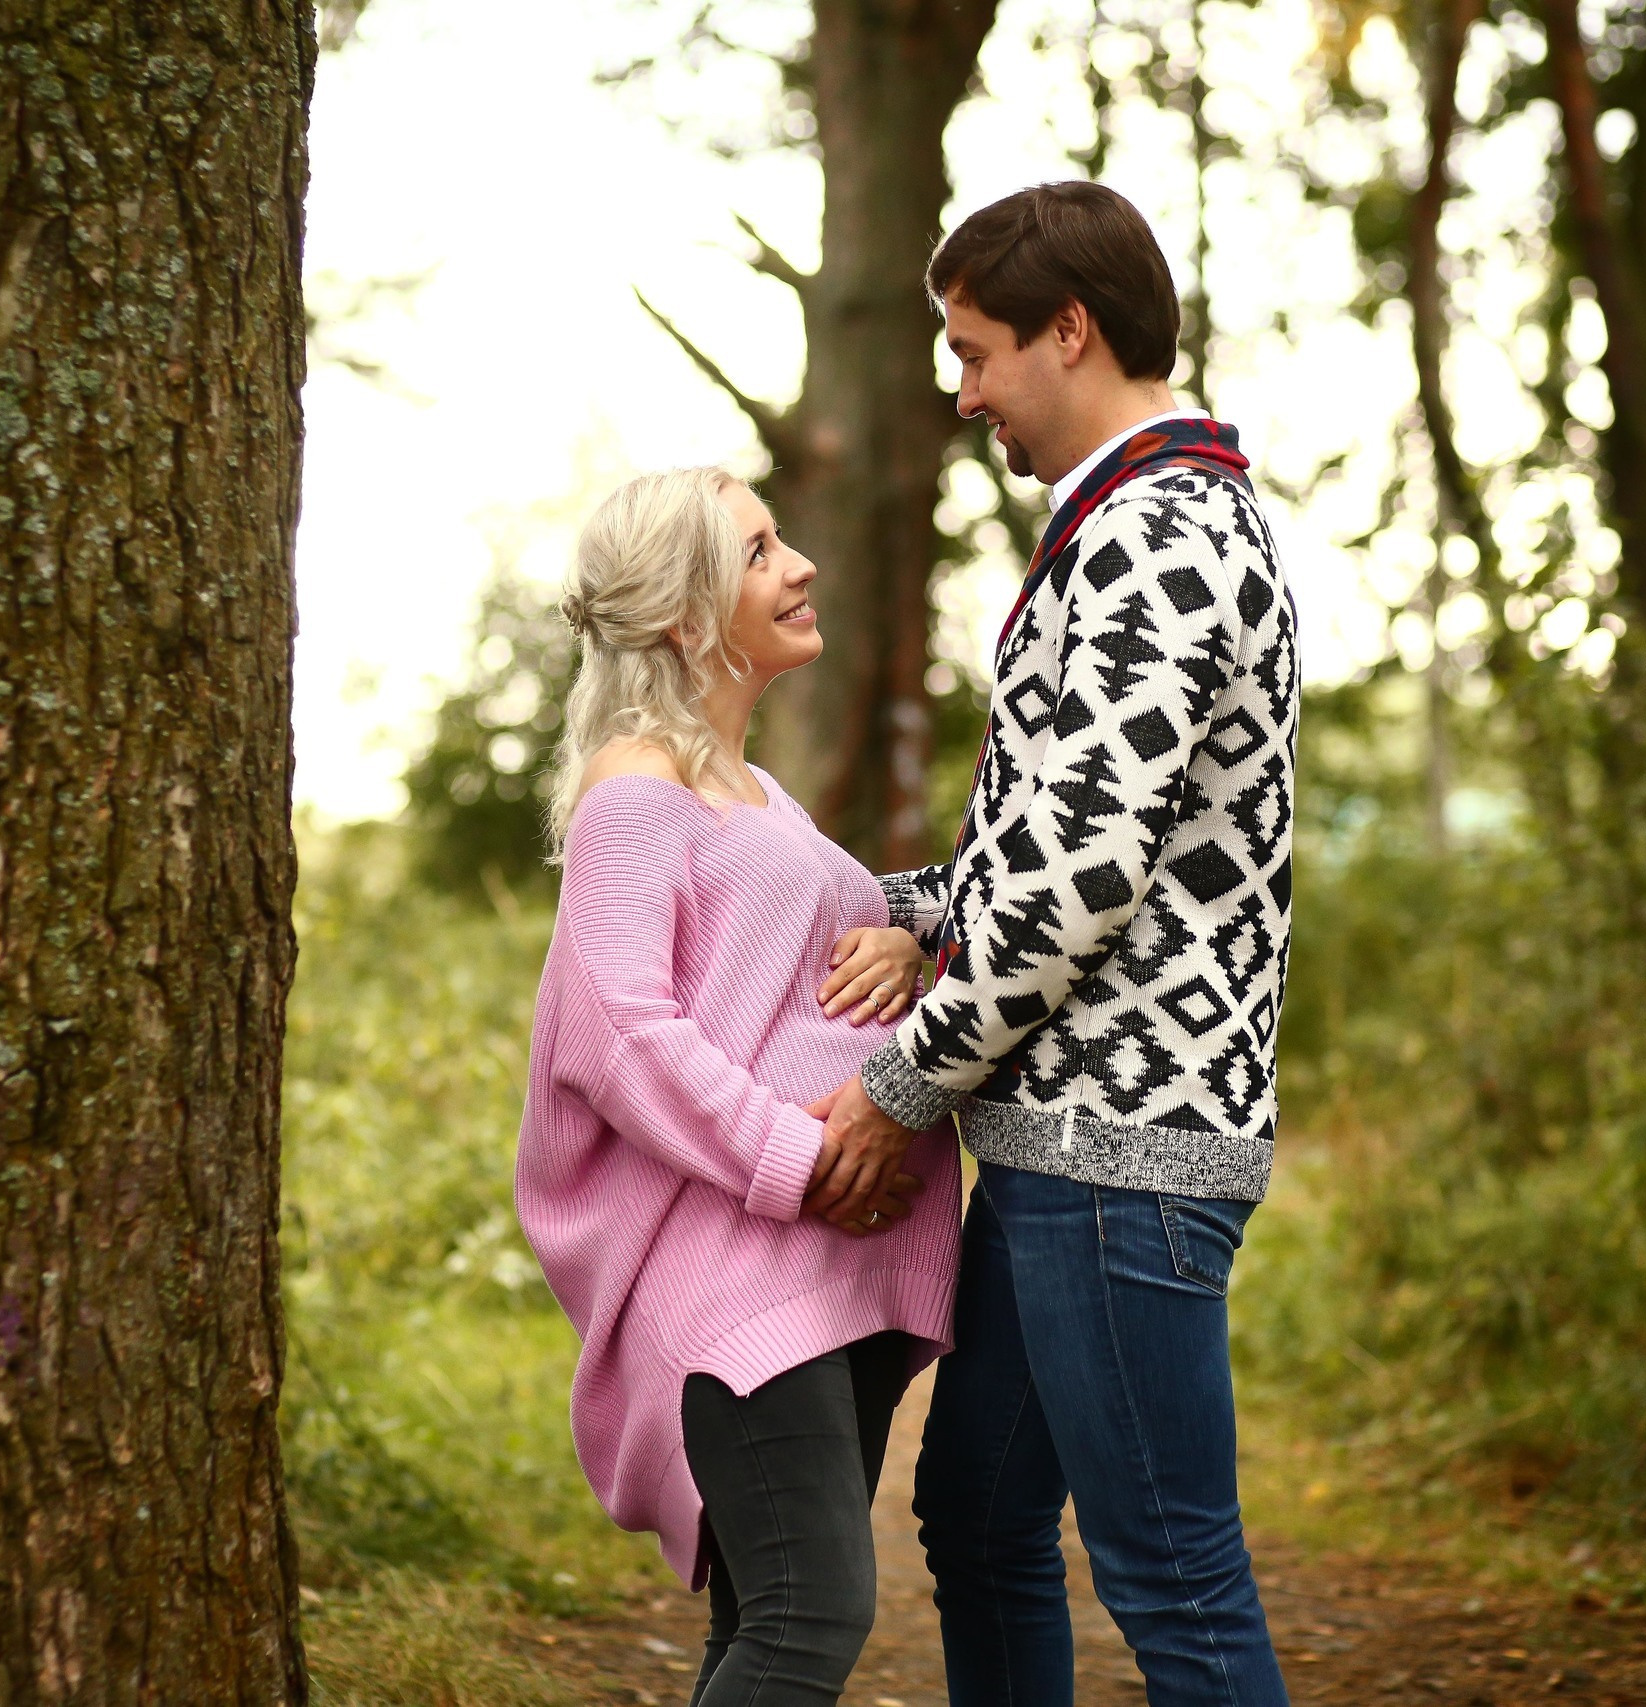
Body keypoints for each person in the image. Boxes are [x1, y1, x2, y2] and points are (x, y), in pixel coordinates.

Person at [809, 182, 1300, 1706]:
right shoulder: (1129, 525)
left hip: (1122, 1153)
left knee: (1175, 1578)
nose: (963, 395)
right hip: (1065, 1143)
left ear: (1069, 330)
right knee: (979, 1513)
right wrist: (902, 910)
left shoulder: (1160, 535)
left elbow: (1077, 879)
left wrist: (898, 1083)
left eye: (975, 352)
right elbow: (1071, 839)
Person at [516, 468, 964, 1706]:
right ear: (680, 611)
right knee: (811, 1614)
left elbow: (793, 979)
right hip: (744, 1265)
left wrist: (909, 941)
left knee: (764, 1623)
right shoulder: (634, 789)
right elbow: (619, 1034)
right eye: (760, 549)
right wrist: (802, 1155)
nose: (800, 564)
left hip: (835, 1267)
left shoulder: (754, 792)